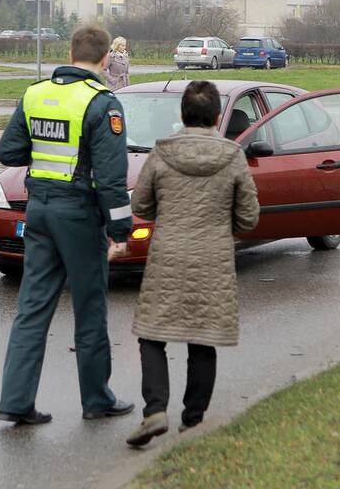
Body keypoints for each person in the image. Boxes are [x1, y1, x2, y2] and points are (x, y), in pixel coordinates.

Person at [0, 26, 135, 425]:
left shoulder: (35, 93)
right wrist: (121, 231)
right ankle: (96, 399)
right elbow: (110, 179)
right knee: (89, 309)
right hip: (78, 216)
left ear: (70, 51)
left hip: (38, 211)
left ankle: (16, 402)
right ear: (106, 58)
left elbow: (8, 151)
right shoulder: (101, 103)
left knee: (32, 308)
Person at [121, 80, 260, 446]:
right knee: (203, 338)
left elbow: (141, 206)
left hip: (167, 254)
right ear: (217, 117)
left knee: (152, 334)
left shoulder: (162, 153)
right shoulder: (233, 157)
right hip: (213, 257)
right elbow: (249, 218)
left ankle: (154, 411)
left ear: (182, 115)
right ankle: (193, 420)